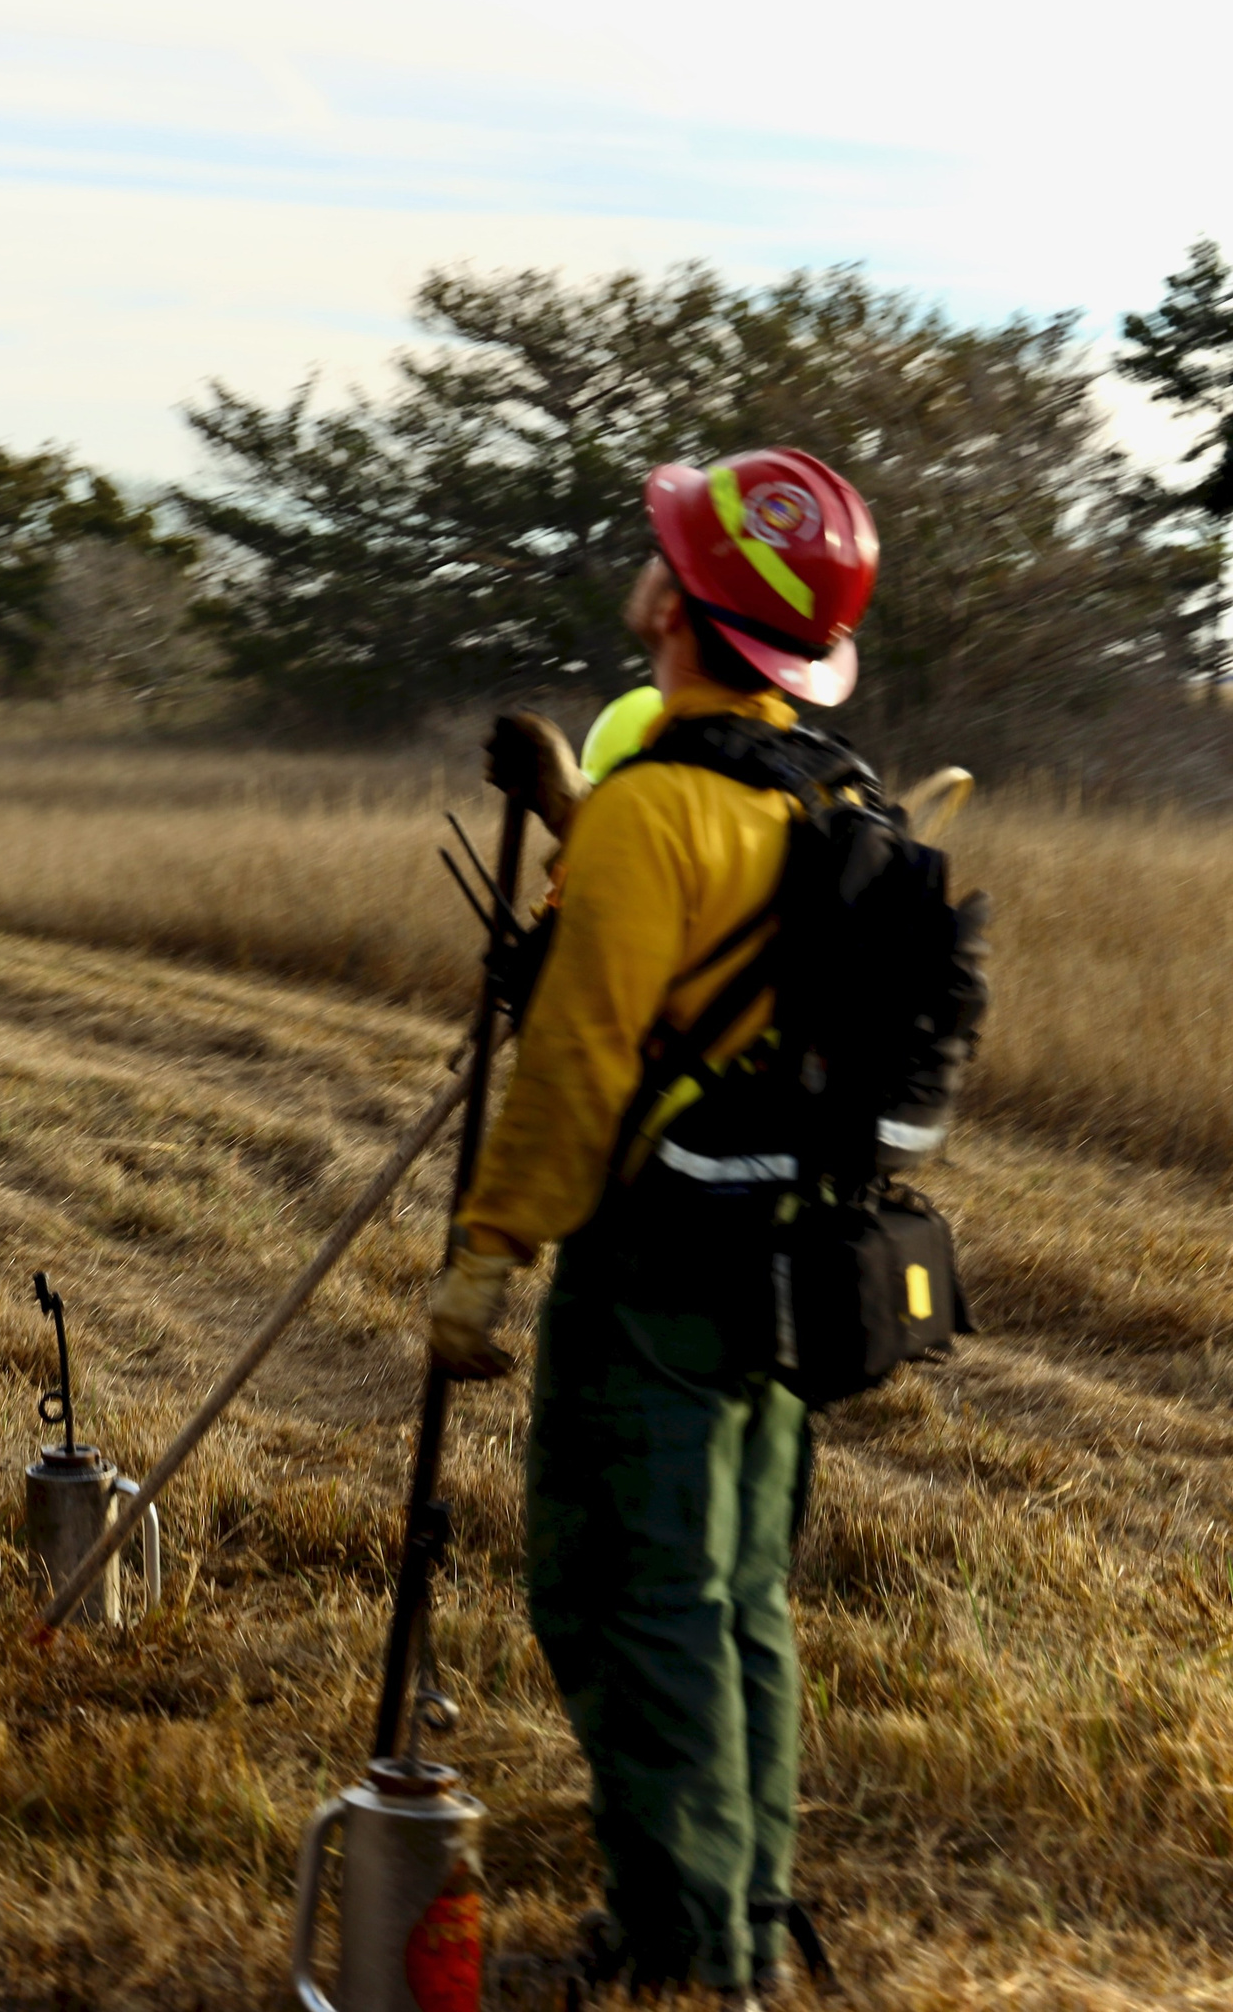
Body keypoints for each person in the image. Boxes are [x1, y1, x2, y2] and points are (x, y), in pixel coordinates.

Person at [427, 449, 882, 2001]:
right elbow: (706, 968)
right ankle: (739, 1917)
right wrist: (571, 807)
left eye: (665, 553)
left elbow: (578, 1061)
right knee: (737, 1596)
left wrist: (489, 1258)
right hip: (794, 1268)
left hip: (658, 1274)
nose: (646, 565)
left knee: (624, 1591)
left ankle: (689, 1946)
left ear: (685, 612)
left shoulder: (656, 812)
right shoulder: (830, 791)